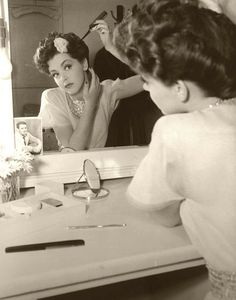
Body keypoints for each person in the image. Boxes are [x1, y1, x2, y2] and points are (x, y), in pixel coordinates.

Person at [114, 1, 236, 299]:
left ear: (179, 89)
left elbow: (159, 212)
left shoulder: (173, 131)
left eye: (146, 80)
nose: (144, 88)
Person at [33, 23, 143, 152]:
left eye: (67, 67)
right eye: (55, 74)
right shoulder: (52, 97)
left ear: (84, 63)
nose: (63, 78)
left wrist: (111, 47)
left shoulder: (107, 91)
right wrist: (91, 103)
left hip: (100, 166)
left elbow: (152, 77)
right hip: (67, 168)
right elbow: (72, 150)